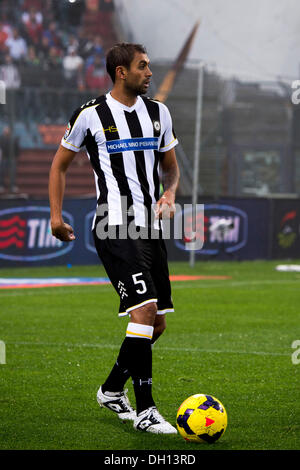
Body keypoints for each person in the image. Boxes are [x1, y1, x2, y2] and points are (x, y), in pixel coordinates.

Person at [49, 43, 180, 434]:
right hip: (115, 223)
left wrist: (169, 194)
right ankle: (146, 410)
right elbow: (59, 167)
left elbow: (170, 168)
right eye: (143, 66)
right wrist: (55, 216)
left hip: (151, 226)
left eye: (150, 66)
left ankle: (110, 389)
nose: (150, 72)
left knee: (155, 325)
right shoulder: (90, 115)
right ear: (121, 72)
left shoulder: (159, 113)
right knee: (142, 312)